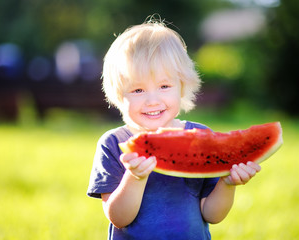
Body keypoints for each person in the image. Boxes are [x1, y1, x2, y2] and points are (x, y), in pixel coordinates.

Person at [87, 16, 261, 240]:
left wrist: (227, 183)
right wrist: (135, 177)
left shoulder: (201, 138)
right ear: (119, 95)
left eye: (164, 86)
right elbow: (119, 218)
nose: (152, 100)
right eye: (138, 90)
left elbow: (212, 214)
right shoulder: (113, 144)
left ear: (182, 86)